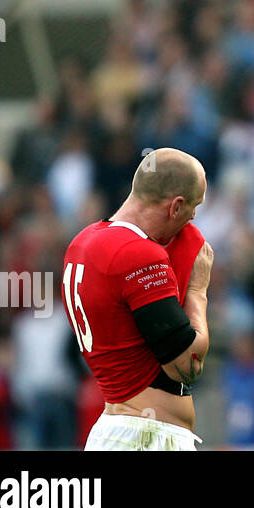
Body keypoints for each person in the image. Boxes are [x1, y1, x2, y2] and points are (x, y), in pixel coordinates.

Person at [60, 148, 214, 450]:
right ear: (176, 206)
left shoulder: (82, 242)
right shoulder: (137, 253)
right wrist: (197, 290)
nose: (193, 218)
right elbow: (187, 365)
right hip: (147, 436)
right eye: (194, 207)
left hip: (115, 429)